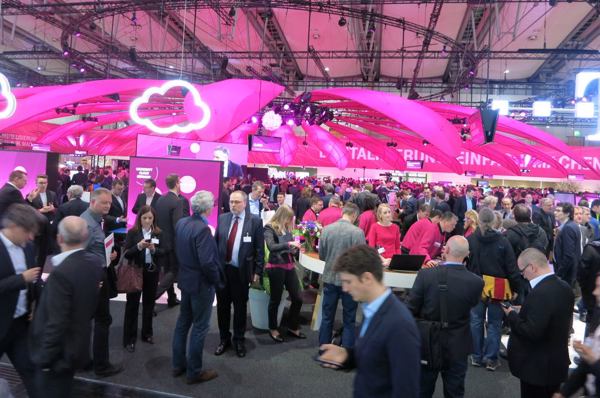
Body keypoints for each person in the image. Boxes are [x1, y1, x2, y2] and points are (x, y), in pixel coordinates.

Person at [319, 245, 420, 398]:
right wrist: (347, 356)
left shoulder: (400, 325)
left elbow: (406, 390)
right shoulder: (371, 308)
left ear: (367, 278)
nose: (344, 288)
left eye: (348, 281)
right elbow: (377, 358)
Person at [29, 216, 104, 398]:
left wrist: (44, 359)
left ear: (59, 238)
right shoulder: (94, 263)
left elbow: (57, 322)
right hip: (77, 347)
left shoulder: (61, 274)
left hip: (58, 356)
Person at [407, 236, 484, 398]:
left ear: (446, 250)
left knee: (422, 389)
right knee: (455, 391)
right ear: (467, 254)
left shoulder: (425, 275)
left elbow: (410, 308)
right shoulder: (476, 282)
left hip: (427, 342)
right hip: (458, 343)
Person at [504, 248, 574, 398]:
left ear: (532, 267)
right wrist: (526, 310)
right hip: (555, 364)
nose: (522, 275)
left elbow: (532, 331)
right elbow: (552, 317)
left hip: (537, 368)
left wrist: (512, 316)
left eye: (522, 271)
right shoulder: (565, 287)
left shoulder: (540, 292)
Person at [172, 191, 221, 384]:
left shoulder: (182, 223)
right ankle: (194, 371)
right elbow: (207, 262)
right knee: (200, 327)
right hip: (201, 284)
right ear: (208, 208)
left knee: (183, 323)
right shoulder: (202, 229)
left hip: (185, 279)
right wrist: (217, 280)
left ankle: (178, 365)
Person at [466, 208, 520, 371]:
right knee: (495, 324)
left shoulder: (471, 239)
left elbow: (466, 264)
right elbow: (511, 267)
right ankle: (491, 359)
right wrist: (515, 287)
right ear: (495, 221)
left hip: (476, 285)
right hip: (498, 288)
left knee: (476, 321)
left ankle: (476, 356)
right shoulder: (503, 241)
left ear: (479, 220)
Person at [214, 190, 264, 358]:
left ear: (244, 203)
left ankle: (239, 339)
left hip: (241, 272)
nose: (233, 205)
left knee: (240, 308)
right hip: (223, 271)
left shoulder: (255, 222)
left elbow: (259, 249)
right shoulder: (222, 218)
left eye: (236, 202)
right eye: (231, 202)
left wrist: (258, 271)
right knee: (222, 307)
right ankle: (223, 338)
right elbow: (216, 244)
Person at [0, 204, 43, 396]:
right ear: (14, 227)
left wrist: (34, 302)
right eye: (28, 231)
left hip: (19, 325)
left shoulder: (28, 247)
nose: (31, 237)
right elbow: (24, 277)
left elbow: (33, 279)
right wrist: (20, 279)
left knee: (33, 373)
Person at [80, 188, 123, 377]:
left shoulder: (95, 221)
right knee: (102, 320)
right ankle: (101, 366)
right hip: (94, 279)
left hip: (96, 275)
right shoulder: (88, 225)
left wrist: (109, 255)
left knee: (88, 320)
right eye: (104, 203)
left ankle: (83, 361)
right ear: (93, 202)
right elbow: (80, 255)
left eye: (109, 203)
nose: (107, 206)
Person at [318, 203, 365, 349]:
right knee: (349, 319)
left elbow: (322, 255)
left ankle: (324, 349)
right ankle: (346, 352)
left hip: (330, 278)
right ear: (354, 215)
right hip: (349, 282)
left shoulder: (327, 229)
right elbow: (361, 259)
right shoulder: (357, 233)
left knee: (326, 317)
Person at [121, 206, 166, 352]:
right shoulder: (133, 232)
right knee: (132, 305)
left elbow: (164, 251)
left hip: (151, 272)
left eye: (150, 218)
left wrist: (154, 250)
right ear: (139, 218)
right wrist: (138, 247)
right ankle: (129, 339)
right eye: (144, 218)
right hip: (136, 271)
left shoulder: (158, 233)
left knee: (149, 304)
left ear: (154, 219)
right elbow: (127, 254)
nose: (147, 221)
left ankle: (147, 333)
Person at [263, 205, 304, 342]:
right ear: (283, 216)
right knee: (276, 299)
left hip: (289, 265)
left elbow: (291, 246)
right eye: (288, 218)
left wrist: (295, 249)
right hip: (276, 266)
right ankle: (273, 328)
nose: (290, 221)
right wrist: (289, 244)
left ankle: (292, 326)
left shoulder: (288, 228)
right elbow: (271, 247)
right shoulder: (269, 228)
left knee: (297, 298)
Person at [555, 274, 600, 398]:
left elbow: (591, 360)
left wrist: (594, 361)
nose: (595, 292)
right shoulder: (597, 314)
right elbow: (585, 364)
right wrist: (564, 393)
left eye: (599, 287)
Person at [155, 174, 184, 307]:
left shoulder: (161, 199)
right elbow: (177, 225)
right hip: (172, 243)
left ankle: (171, 298)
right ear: (177, 183)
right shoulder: (177, 201)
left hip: (161, 241)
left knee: (167, 270)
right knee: (173, 271)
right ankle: (153, 296)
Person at [30, 175, 58, 266]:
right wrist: (40, 211)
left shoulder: (52, 194)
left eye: (45, 183)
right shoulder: (31, 195)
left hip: (49, 224)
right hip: (37, 225)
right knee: (36, 251)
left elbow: (58, 208)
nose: (43, 185)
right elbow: (28, 211)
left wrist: (53, 209)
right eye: (41, 183)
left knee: (48, 250)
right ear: (36, 183)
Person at [554, 202, 581, 285]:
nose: (555, 212)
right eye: (555, 210)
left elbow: (568, 254)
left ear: (567, 214)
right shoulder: (572, 225)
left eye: (558, 211)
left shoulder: (568, 228)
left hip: (566, 272)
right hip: (569, 270)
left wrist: (560, 273)